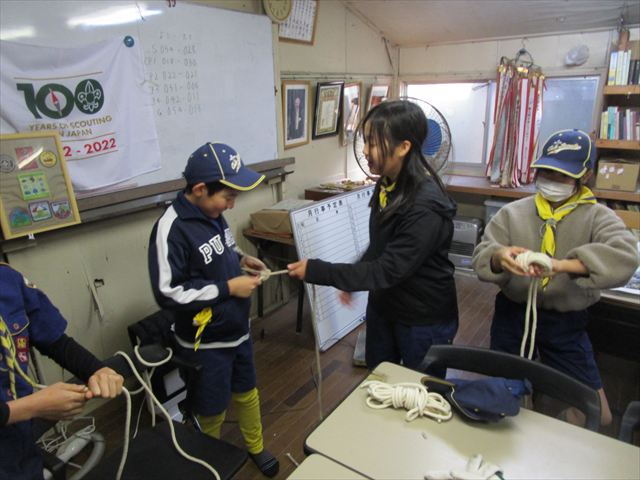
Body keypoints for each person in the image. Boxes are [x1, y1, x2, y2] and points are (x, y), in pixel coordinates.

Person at [472, 129, 639, 426]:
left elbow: (625, 256)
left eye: (562, 176)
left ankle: (546, 437)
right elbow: (484, 252)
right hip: (514, 316)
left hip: (565, 321)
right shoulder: (514, 213)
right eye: (546, 172)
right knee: (504, 398)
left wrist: (562, 266)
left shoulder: (598, 216)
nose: (551, 181)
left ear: (585, 176)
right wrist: (500, 257)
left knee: (598, 413)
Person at [288, 100, 459, 371]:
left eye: (374, 143)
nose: (366, 151)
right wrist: (355, 273)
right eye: (365, 141)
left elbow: (387, 269)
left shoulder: (425, 205)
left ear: (404, 147)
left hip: (422, 318)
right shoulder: (388, 184)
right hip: (385, 307)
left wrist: (317, 271)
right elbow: (383, 245)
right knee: (379, 380)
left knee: (423, 393)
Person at [148, 142, 279, 477]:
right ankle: (211, 461)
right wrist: (227, 288)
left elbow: (223, 251)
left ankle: (256, 446)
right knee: (212, 407)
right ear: (200, 189)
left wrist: (241, 260)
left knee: (248, 391)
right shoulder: (171, 229)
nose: (231, 205)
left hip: (238, 330)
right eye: (228, 197)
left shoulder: (214, 213)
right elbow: (168, 292)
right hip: (206, 343)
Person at [0, 263, 124, 480]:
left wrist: (98, 370)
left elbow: (55, 341)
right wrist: (31, 407)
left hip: (19, 448)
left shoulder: (8, 280)